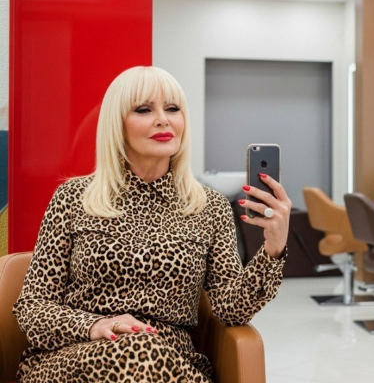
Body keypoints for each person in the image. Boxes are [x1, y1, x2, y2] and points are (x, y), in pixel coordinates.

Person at [13, 66, 291, 382]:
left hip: (171, 362)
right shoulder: (74, 197)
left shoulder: (209, 206)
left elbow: (231, 309)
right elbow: (33, 307)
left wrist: (273, 249)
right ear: (117, 123)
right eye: (144, 110)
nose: (163, 119)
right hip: (77, 356)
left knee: (143, 350)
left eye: (172, 109)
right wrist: (94, 325)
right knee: (137, 348)